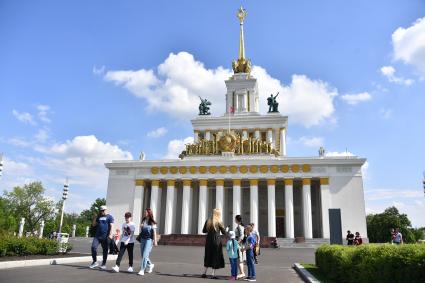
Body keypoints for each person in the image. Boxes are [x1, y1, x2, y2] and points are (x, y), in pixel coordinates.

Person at [201, 208, 226, 279]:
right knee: (216, 256)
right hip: (216, 241)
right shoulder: (219, 221)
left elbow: (203, 231)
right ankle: (213, 274)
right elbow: (224, 232)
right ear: (218, 214)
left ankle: (204, 273)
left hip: (209, 241)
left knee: (208, 255)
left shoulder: (208, 220)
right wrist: (226, 229)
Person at [89, 205, 114, 270]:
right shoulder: (99, 217)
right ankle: (95, 262)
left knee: (105, 250)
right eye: (101, 210)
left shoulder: (109, 217)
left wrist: (111, 234)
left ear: (106, 210)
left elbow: (111, 226)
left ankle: (103, 264)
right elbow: (94, 224)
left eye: (103, 210)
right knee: (93, 247)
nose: (102, 212)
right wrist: (94, 218)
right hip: (97, 236)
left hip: (105, 237)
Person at [138, 208, 157, 276]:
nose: (144, 213)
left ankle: (142, 269)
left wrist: (155, 241)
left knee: (145, 255)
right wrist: (141, 226)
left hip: (149, 239)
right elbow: (142, 228)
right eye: (144, 212)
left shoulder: (152, 222)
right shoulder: (143, 220)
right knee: (143, 255)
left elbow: (154, 232)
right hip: (143, 239)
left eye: (146, 212)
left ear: (149, 213)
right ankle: (150, 264)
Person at [234, 215, 246, 279]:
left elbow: (242, 236)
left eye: (235, 219)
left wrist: (237, 242)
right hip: (239, 244)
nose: (234, 220)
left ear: (237, 219)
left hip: (239, 245)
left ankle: (242, 273)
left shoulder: (239, 226)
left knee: (239, 259)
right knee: (239, 259)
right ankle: (242, 272)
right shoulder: (239, 226)